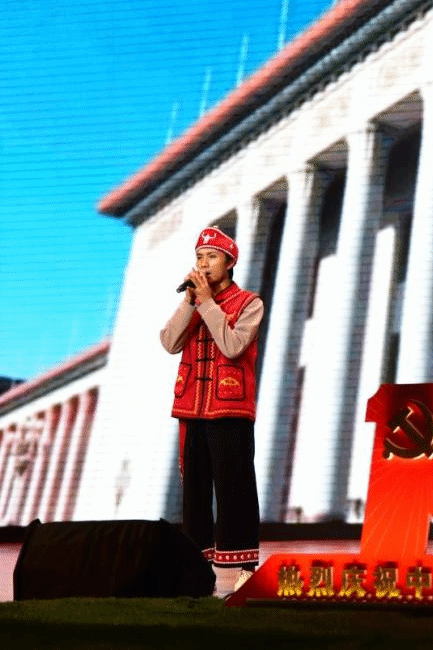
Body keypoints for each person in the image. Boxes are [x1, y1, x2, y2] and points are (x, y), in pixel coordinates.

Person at [160, 226, 264, 595]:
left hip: (229, 409)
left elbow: (233, 346)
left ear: (230, 263)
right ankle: (196, 571)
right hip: (192, 407)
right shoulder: (194, 302)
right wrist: (190, 302)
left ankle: (244, 570)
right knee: (195, 491)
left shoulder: (249, 303)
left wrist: (207, 304)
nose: (204, 264)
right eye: (199, 257)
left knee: (235, 488)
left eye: (212, 257)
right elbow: (169, 343)